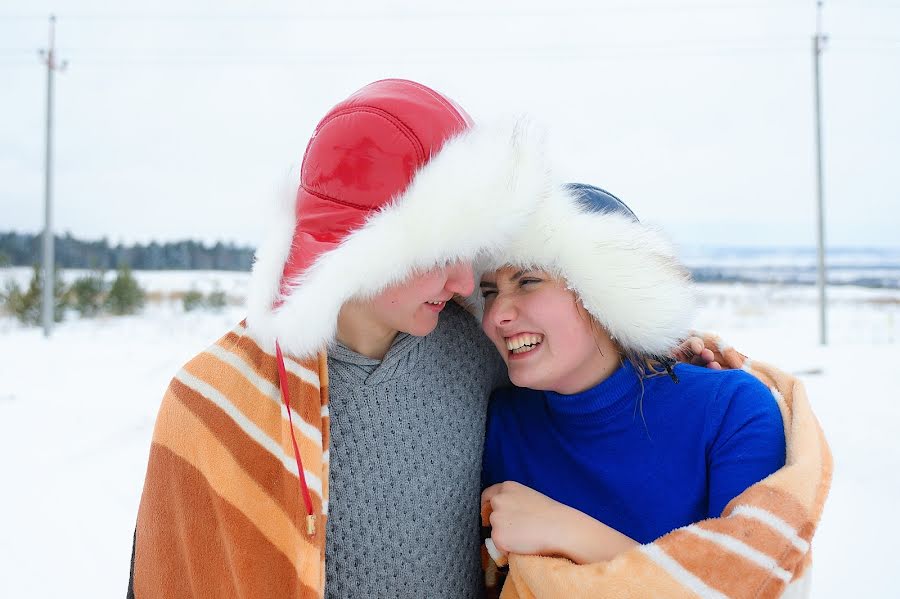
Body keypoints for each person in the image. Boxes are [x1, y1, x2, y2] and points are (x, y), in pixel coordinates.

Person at [127, 81, 717, 599]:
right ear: (364, 246)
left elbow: (579, 356)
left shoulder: (474, 349)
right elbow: (177, 571)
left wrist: (655, 344)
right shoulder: (219, 401)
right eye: (440, 255)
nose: (465, 284)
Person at [476, 184, 831, 598]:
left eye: (528, 281)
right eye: (488, 292)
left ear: (607, 291)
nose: (497, 315)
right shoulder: (497, 422)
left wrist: (569, 531)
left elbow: (754, 587)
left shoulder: (730, 410)